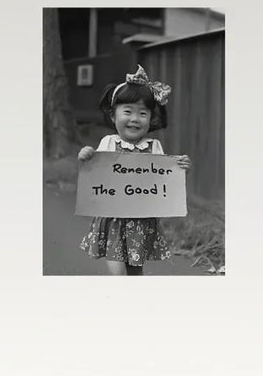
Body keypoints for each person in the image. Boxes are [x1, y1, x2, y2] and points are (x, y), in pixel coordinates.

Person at [78, 65, 191, 275]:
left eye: (142, 113)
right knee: (118, 268)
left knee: (135, 268)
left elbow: (164, 178)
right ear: (113, 116)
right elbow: (95, 169)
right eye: (127, 111)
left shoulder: (154, 147)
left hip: (141, 218)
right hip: (113, 216)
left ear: (151, 118)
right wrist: (85, 155)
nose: (134, 118)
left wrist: (181, 168)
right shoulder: (108, 143)